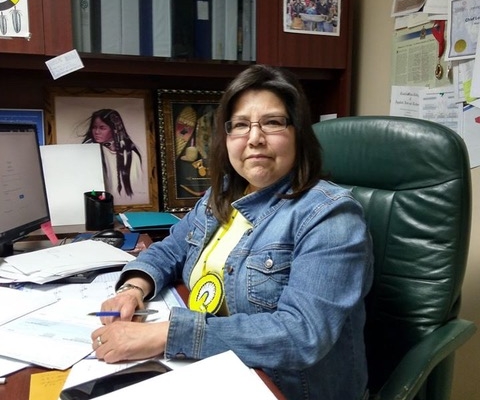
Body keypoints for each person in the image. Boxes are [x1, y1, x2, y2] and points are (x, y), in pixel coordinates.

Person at [91, 65, 373, 400]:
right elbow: (172, 249)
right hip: (211, 368)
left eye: (272, 122)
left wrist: (165, 335)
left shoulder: (330, 215)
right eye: (240, 125)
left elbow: (301, 334)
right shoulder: (222, 194)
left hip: (284, 389)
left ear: (298, 133)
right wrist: (133, 289)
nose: (254, 138)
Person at [82, 109, 146, 204]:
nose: (96, 132)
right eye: (94, 127)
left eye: (102, 128)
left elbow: (137, 187)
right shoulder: (88, 152)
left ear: (115, 129)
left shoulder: (130, 155)